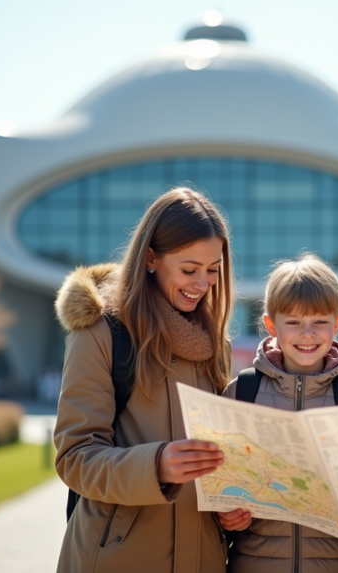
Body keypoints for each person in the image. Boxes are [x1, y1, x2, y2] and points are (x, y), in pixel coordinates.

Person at [53, 187, 234, 573]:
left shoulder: (218, 346)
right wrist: (156, 467)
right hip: (116, 559)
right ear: (151, 257)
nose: (201, 284)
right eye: (189, 270)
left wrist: (235, 508)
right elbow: (74, 457)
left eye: (212, 270)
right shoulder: (100, 333)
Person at [217, 253, 338, 573]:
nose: (307, 333)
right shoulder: (241, 393)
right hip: (255, 563)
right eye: (293, 322)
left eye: (319, 321)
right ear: (271, 325)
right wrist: (225, 516)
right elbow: (220, 487)